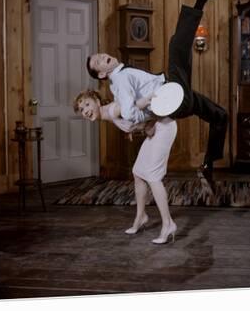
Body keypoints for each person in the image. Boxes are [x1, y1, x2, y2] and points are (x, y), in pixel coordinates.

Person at [86, 0, 228, 192]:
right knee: (176, 46)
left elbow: (130, 114)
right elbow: (131, 113)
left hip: (176, 98)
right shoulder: (119, 81)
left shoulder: (122, 75)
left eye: (101, 54)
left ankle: (208, 165)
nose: (104, 57)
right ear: (102, 74)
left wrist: (144, 121)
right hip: (170, 97)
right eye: (99, 61)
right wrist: (148, 112)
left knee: (219, 116)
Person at [74, 89, 178, 245]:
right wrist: (134, 128)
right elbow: (134, 117)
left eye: (87, 104)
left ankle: (168, 224)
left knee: (152, 175)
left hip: (163, 127)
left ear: (97, 100)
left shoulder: (114, 110)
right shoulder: (110, 114)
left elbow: (147, 107)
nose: (86, 111)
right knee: (138, 172)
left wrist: (149, 123)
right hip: (156, 129)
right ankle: (141, 217)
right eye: (82, 110)